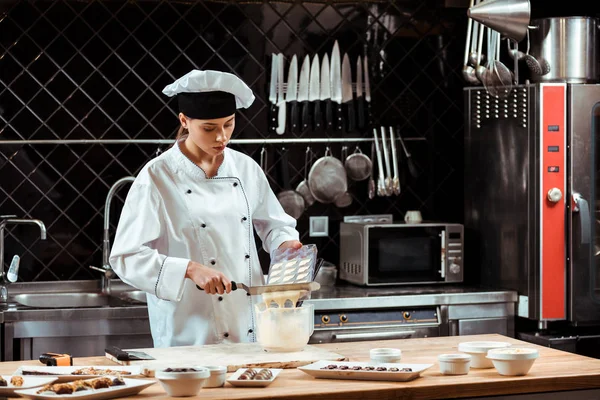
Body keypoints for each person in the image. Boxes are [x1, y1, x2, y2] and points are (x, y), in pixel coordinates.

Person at [109, 70, 302, 348]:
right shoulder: (157, 177)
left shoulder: (245, 168)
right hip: (188, 330)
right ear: (184, 121)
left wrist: (286, 244)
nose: (222, 137)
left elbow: (275, 224)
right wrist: (188, 269)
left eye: (229, 124)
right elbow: (127, 256)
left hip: (248, 323)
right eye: (209, 128)